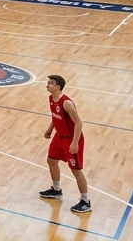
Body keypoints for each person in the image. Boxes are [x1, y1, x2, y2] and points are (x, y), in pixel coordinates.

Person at [40, 74, 91, 214]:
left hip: (71, 138)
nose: (47, 85)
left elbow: (79, 123)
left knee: (76, 170)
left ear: (58, 87)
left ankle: (86, 201)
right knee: (51, 160)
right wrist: (50, 129)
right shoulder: (51, 98)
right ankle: (56, 190)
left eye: (50, 83)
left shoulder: (66, 103)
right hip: (59, 136)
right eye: (47, 82)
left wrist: (74, 143)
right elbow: (55, 116)